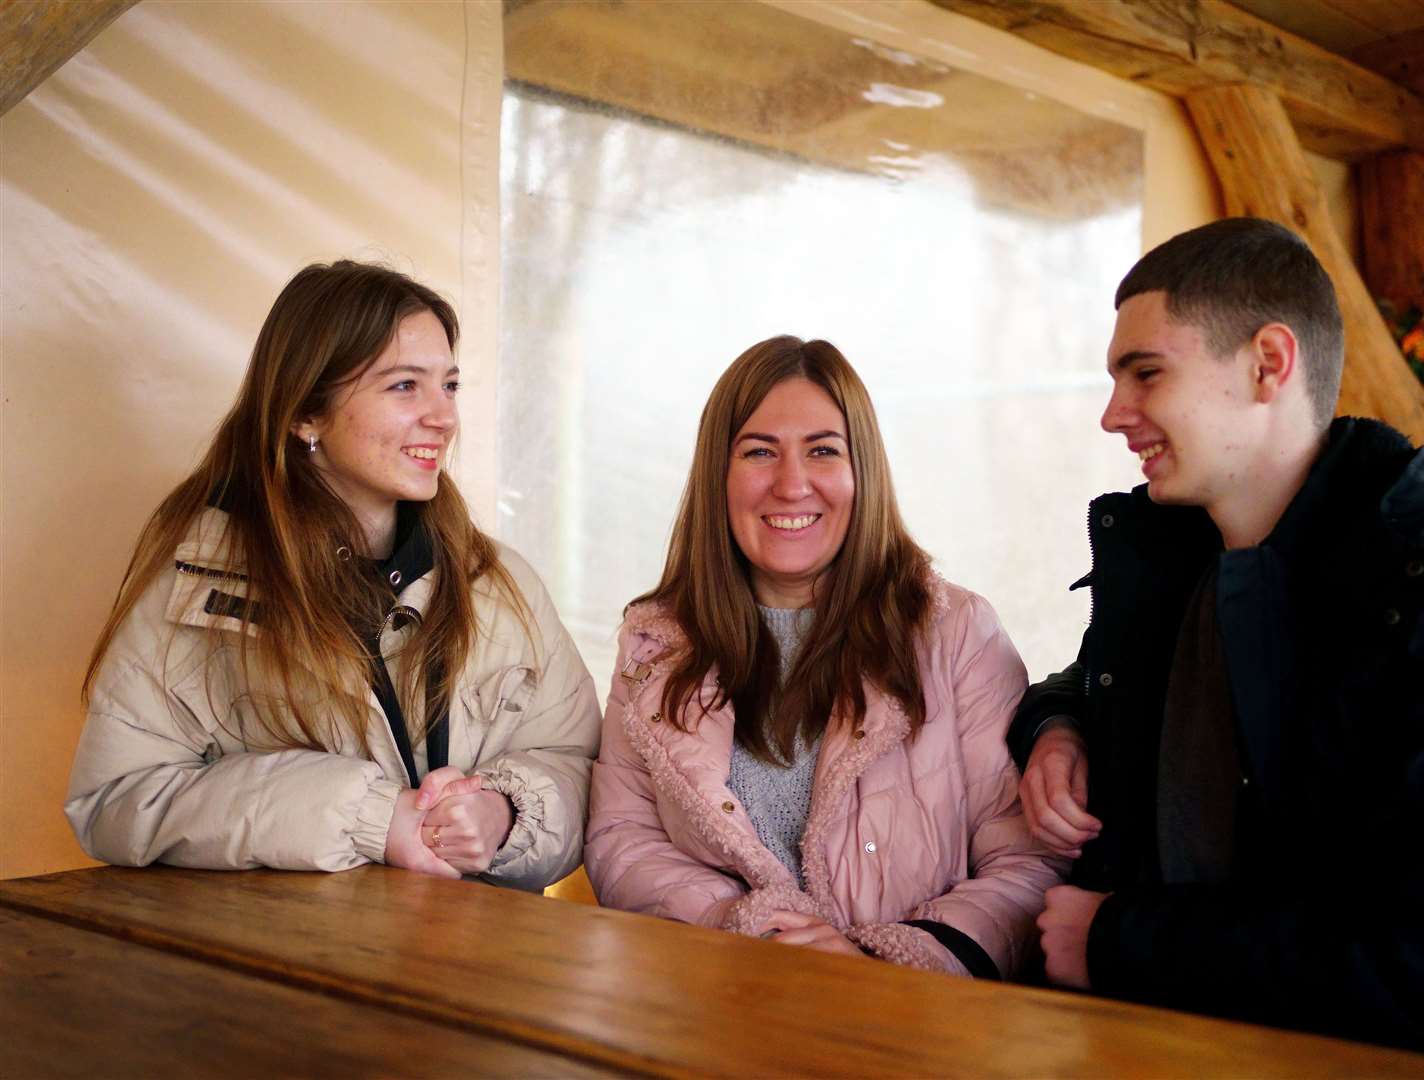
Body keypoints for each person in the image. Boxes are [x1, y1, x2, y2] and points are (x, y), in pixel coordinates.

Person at [1013, 217, 1424, 1074]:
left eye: (1145, 373)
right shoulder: (1184, 556)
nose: (1114, 415)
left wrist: (1119, 940)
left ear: (1269, 363)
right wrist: (1056, 726)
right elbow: (1094, 676)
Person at [68, 261, 600, 889]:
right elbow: (116, 801)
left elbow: (579, 765)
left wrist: (507, 811)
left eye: (449, 386)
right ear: (306, 414)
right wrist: (373, 820)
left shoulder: (501, 583)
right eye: (405, 386)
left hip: (471, 970)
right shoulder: (198, 586)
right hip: (284, 974)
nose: (443, 417)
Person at [585, 335, 1066, 976]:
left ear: (860, 470)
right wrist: (743, 925)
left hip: (912, 1028)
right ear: (717, 474)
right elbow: (622, 839)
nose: (791, 484)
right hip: (720, 1004)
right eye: (759, 452)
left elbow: (1028, 864)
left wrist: (881, 959)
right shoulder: (655, 646)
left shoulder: (957, 632)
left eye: (822, 451)